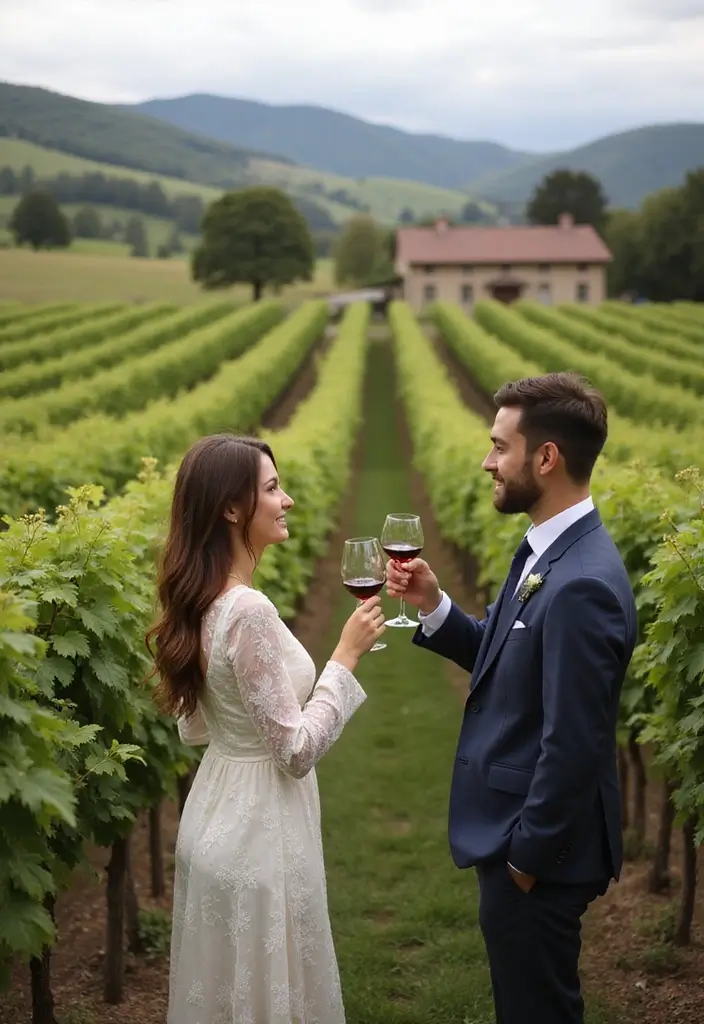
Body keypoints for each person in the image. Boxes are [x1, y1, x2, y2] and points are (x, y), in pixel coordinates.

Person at [387, 372, 637, 1024]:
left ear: (546, 458)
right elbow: (506, 663)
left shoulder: (584, 582)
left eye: (500, 446)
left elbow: (575, 741)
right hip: (518, 840)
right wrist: (434, 606)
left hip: (537, 855)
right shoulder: (545, 551)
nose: (487, 461)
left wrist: (525, 858)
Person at [147, 434, 385, 1024]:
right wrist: (344, 660)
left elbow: (195, 730)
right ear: (232, 508)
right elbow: (296, 751)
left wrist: (243, 735)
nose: (289, 500)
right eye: (273, 488)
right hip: (260, 834)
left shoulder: (202, 601)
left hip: (213, 818)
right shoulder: (248, 611)